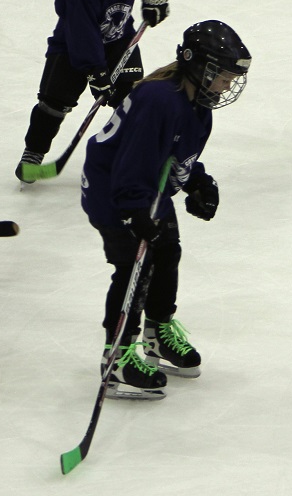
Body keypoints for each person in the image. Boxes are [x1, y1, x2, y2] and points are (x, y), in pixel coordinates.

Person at [80, 20, 250, 399]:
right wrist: (134, 213)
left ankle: (157, 334)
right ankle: (117, 356)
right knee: (133, 268)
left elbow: (173, 153)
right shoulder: (158, 100)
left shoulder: (197, 105)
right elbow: (131, 161)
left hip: (143, 187)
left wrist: (197, 182)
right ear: (198, 65)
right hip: (114, 190)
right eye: (223, 76)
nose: (228, 85)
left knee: (167, 252)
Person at [15, 0, 176, 183]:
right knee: (53, 103)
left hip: (119, 42)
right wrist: (94, 69)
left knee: (131, 100)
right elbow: (80, 29)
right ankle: (34, 152)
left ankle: (135, 153)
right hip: (71, 47)